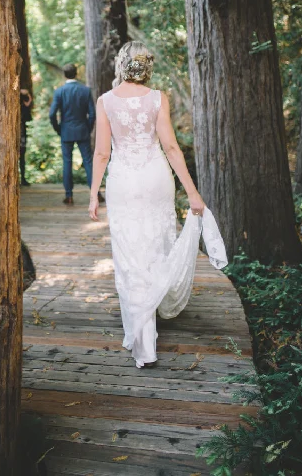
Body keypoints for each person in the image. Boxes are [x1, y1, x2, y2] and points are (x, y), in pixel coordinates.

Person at [88, 42, 227, 369]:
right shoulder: (157, 99)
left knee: (129, 251)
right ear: (146, 67)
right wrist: (192, 192)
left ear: (121, 64)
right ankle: (147, 319)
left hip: (123, 181)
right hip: (155, 178)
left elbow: (101, 153)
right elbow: (171, 147)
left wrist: (94, 193)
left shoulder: (105, 101)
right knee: (153, 245)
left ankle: (143, 340)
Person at [49, 64, 104, 205]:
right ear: (76, 73)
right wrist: (88, 128)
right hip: (82, 130)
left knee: (67, 163)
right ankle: (96, 194)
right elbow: (92, 114)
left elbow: (52, 114)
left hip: (66, 131)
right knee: (88, 162)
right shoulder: (85, 90)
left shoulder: (59, 91)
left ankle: (69, 196)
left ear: (64, 75)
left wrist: (58, 129)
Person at [20, 88, 33, 187]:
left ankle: (22, 178)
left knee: (21, 156)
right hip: (21, 133)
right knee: (21, 156)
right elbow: (28, 118)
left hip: (21, 133)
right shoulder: (23, 106)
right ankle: (22, 178)